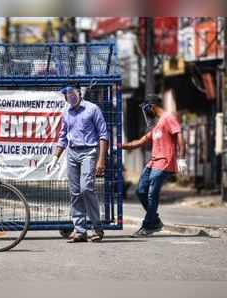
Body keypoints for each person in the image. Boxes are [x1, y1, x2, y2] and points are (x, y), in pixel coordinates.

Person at [46, 83, 108, 243]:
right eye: (67, 94)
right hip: (72, 153)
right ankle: (80, 231)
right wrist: (54, 158)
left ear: (79, 93)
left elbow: (103, 135)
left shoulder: (92, 109)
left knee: (86, 188)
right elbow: (63, 137)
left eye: (73, 93)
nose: (70, 96)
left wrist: (101, 160)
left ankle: (97, 228)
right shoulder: (66, 113)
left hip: (89, 151)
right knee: (74, 192)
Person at [121, 95, 187, 237]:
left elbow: (180, 137)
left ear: (151, 106)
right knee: (140, 191)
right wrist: (118, 146)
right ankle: (155, 221)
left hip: (165, 162)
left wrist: (182, 159)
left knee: (152, 193)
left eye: (145, 109)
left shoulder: (168, 118)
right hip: (153, 162)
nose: (145, 113)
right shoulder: (157, 126)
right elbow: (138, 142)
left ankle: (148, 226)